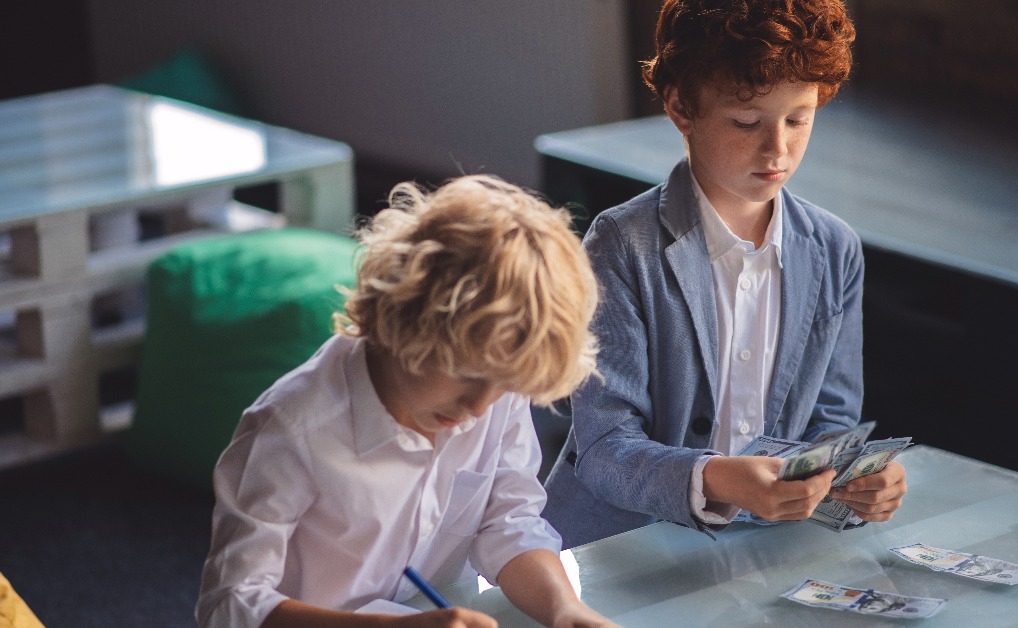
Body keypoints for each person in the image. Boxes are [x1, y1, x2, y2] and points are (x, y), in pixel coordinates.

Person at [542, 0, 907, 548]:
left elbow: (831, 421)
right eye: (746, 121)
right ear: (680, 107)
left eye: (799, 118)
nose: (778, 148)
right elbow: (602, 449)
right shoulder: (620, 245)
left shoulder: (834, 250)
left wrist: (858, 480)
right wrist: (714, 478)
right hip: (622, 549)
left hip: (765, 546)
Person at [196, 175, 614, 628]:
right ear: (406, 317)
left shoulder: (495, 390)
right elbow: (229, 605)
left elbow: (507, 520)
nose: (479, 407)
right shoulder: (292, 428)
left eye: (505, 386)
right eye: (468, 375)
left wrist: (563, 609)